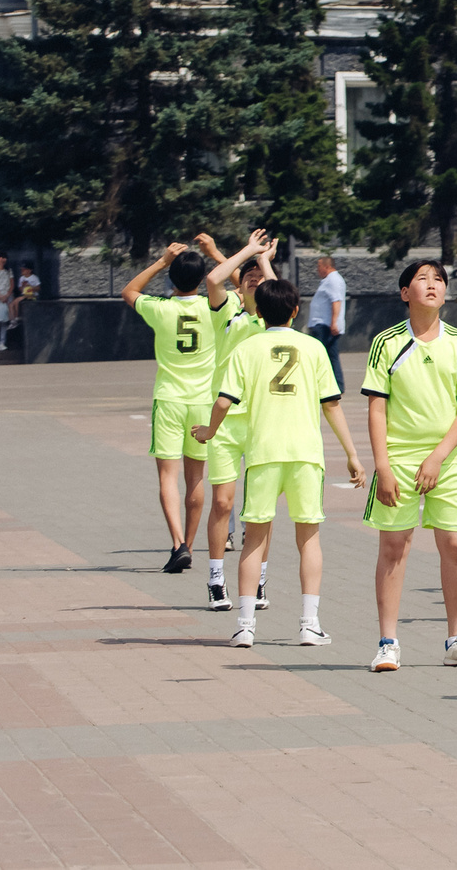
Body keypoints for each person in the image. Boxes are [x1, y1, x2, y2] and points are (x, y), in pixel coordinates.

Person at [196, 277, 365, 648]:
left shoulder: (247, 348)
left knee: (253, 540)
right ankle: (309, 624)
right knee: (308, 539)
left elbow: (224, 401)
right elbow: (331, 404)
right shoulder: (314, 347)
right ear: (295, 310)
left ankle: (244, 625)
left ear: (257, 309)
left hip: (263, 455)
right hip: (305, 455)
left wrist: (210, 430)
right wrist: (352, 454)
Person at [360, 258, 457, 672]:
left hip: (448, 459)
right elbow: (376, 408)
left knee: (456, 545)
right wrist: (382, 465)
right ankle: (387, 643)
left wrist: (437, 456)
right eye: (422, 279)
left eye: (438, 279)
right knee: (394, 547)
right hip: (398, 457)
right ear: (405, 293)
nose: (432, 284)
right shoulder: (386, 342)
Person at [124, 234, 261, 576]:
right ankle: (190, 539)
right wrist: (216, 254)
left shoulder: (161, 308)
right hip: (205, 402)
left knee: (167, 476)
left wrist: (161, 262)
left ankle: (177, 544)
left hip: (169, 398)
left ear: (172, 279)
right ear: (203, 279)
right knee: (196, 479)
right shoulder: (217, 306)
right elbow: (247, 288)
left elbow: (129, 291)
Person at [197, 233, 274, 611]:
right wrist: (250, 253)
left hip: (262, 420)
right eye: (248, 280)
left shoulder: (275, 321)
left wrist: (265, 262)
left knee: (259, 508)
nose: (256, 283)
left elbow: (276, 288)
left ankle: (258, 578)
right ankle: (215, 577)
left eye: (260, 280)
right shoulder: (226, 311)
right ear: (239, 287)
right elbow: (213, 279)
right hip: (225, 421)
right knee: (224, 503)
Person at [305, 252, 347, 398]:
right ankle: (336, 385)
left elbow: (336, 301)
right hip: (324, 324)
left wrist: (334, 322)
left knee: (322, 356)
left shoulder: (333, 280)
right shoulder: (330, 280)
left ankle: (333, 385)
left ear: (327, 266)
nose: (317, 269)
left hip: (325, 325)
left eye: (319, 266)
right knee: (330, 355)